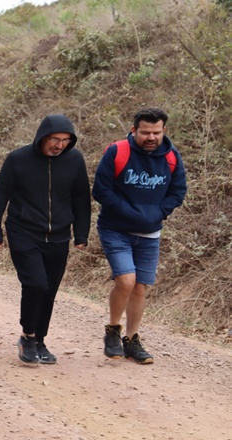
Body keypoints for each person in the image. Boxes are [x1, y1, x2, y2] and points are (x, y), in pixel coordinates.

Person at [0, 114, 91, 366]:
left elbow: (81, 198)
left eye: (65, 140)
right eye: (54, 139)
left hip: (59, 235)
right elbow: (0, 195)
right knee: (36, 284)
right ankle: (28, 335)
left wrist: (81, 233)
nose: (59, 145)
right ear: (42, 137)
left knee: (50, 290)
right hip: (23, 231)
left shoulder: (74, 160)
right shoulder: (18, 159)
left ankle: (40, 340)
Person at [93, 107, 187, 364]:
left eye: (156, 132)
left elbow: (178, 191)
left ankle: (132, 340)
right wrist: (131, 213)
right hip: (116, 229)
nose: (151, 137)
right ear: (134, 130)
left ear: (164, 131)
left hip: (150, 233)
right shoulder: (118, 151)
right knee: (125, 280)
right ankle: (113, 331)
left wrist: (158, 213)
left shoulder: (171, 157)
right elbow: (101, 190)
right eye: (145, 132)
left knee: (140, 288)